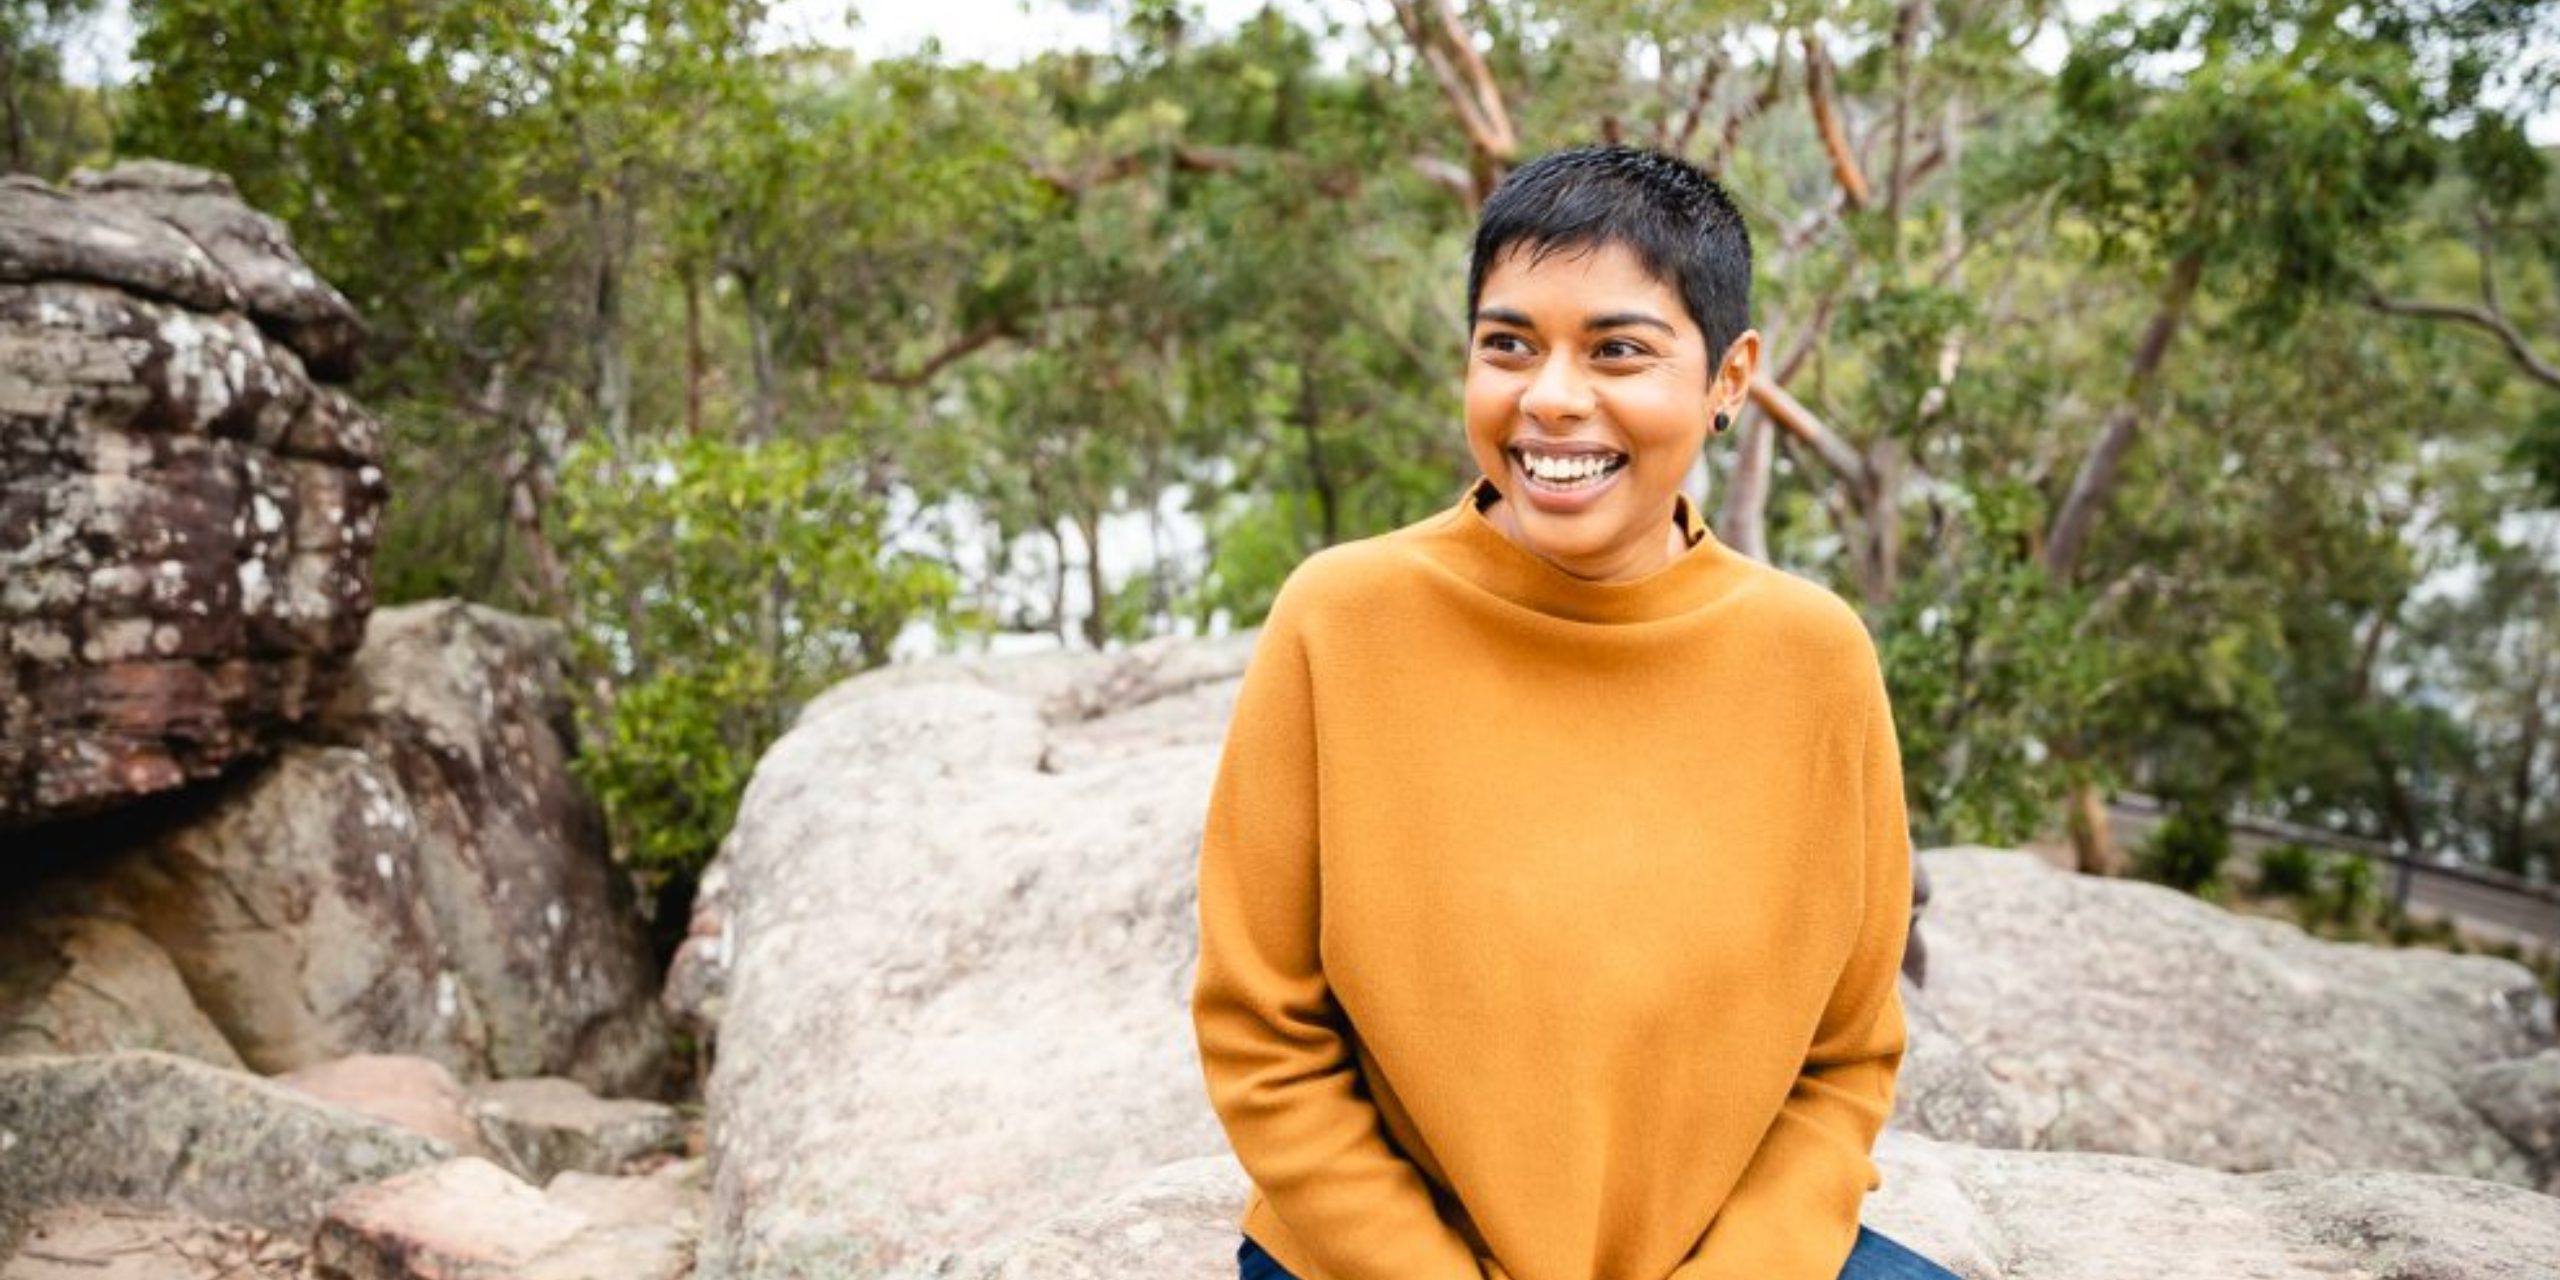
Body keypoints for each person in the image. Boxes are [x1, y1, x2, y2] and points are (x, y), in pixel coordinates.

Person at [1187, 143, 1959, 1280]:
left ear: (1728, 379)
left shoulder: (1812, 658)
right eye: (1508, 344)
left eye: (1618, 350)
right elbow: (1265, 1033)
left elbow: (1844, 1056)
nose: (1550, 397)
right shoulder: (1340, 619)